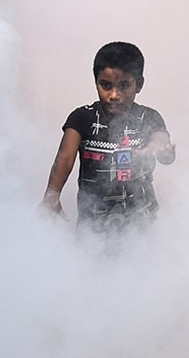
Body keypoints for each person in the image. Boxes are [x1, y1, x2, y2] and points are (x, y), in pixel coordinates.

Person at [41, 42, 175, 231]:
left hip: (142, 222)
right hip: (93, 225)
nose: (114, 94)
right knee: (89, 259)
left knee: (142, 259)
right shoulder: (82, 117)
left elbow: (163, 146)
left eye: (124, 86)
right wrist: (52, 194)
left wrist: (160, 147)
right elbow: (65, 158)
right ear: (95, 81)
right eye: (105, 85)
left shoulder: (149, 117)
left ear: (139, 84)